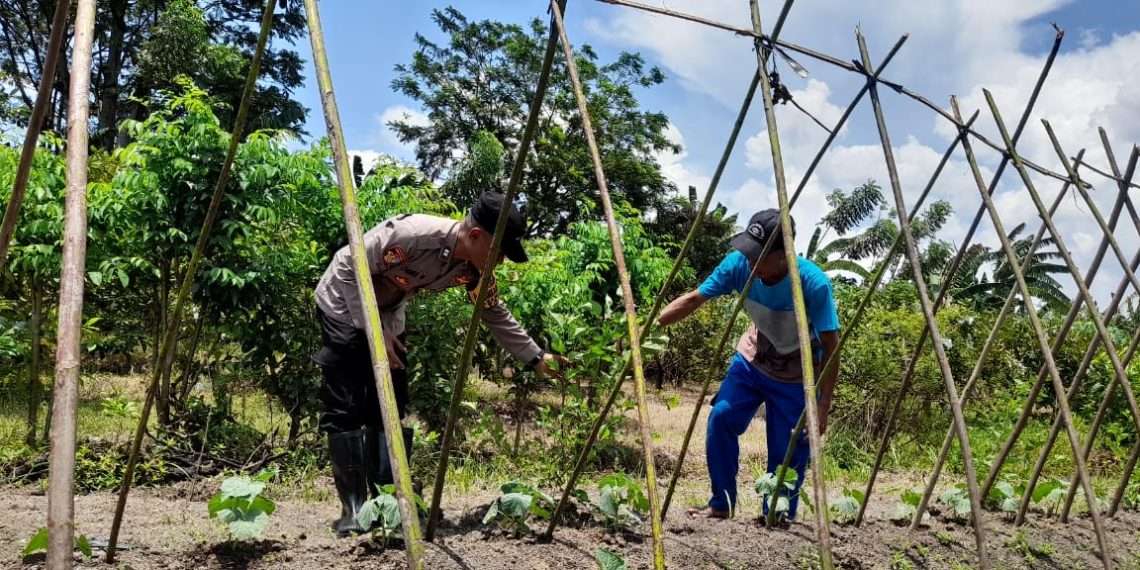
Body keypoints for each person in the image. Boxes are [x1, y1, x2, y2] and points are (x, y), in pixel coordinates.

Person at [313, 191, 565, 535]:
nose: (501, 262)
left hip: (387, 314)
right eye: (500, 252)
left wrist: (536, 357)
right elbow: (350, 265)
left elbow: (492, 311)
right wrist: (371, 329)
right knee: (346, 401)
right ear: (475, 236)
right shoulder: (414, 235)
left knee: (391, 401)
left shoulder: (474, 269)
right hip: (344, 302)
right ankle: (354, 511)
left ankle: (387, 503)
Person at [658, 208, 840, 520]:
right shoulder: (739, 267)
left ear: (785, 255)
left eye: (760, 256)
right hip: (754, 357)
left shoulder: (812, 284)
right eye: (749, 253)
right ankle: (721, 503)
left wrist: (822, 406)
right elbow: (693, 299)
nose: (751, 261)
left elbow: (830, 346)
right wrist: (649, 327)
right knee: (722, 417)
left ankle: (776, 515)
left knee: (790, 448)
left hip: (797, 373)